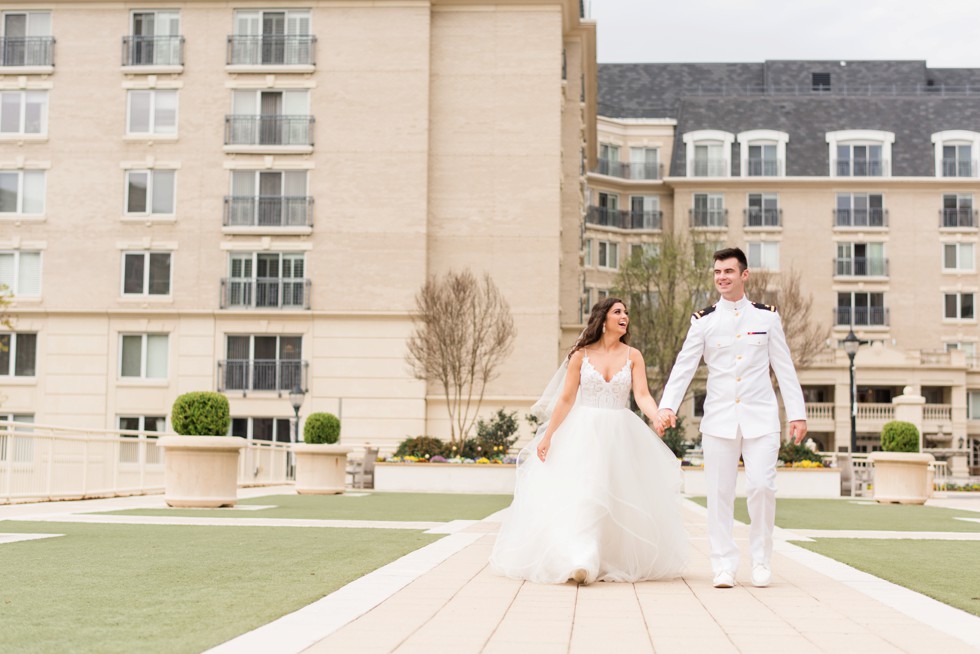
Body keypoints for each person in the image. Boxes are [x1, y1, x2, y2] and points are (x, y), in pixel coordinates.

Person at [490, 298, 689, 585]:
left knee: (614, 494)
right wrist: (548, 436)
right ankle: (582, 558)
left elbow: (642, 395)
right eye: (618, 312)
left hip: (620, 434)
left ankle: (604, 556)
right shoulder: (580, 356)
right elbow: (567, 399)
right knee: (585, 493)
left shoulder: (634, 355)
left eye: (626, 312)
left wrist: (658, 415)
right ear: (603, 318)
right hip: (584, 433)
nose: (625, 317)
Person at [658, 247, 807, 589]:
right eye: (717, 272)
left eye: (728, 271)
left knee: (762, 487)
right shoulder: (704, 321)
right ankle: (723, 564)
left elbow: (784, 368)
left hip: (761, 418)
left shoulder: (767, 318)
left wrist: (796, 414)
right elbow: (684, 366)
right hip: (720, 420)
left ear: (744, 275)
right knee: (719, 494)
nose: (721, 277)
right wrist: (668, 405)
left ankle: (761, 560)